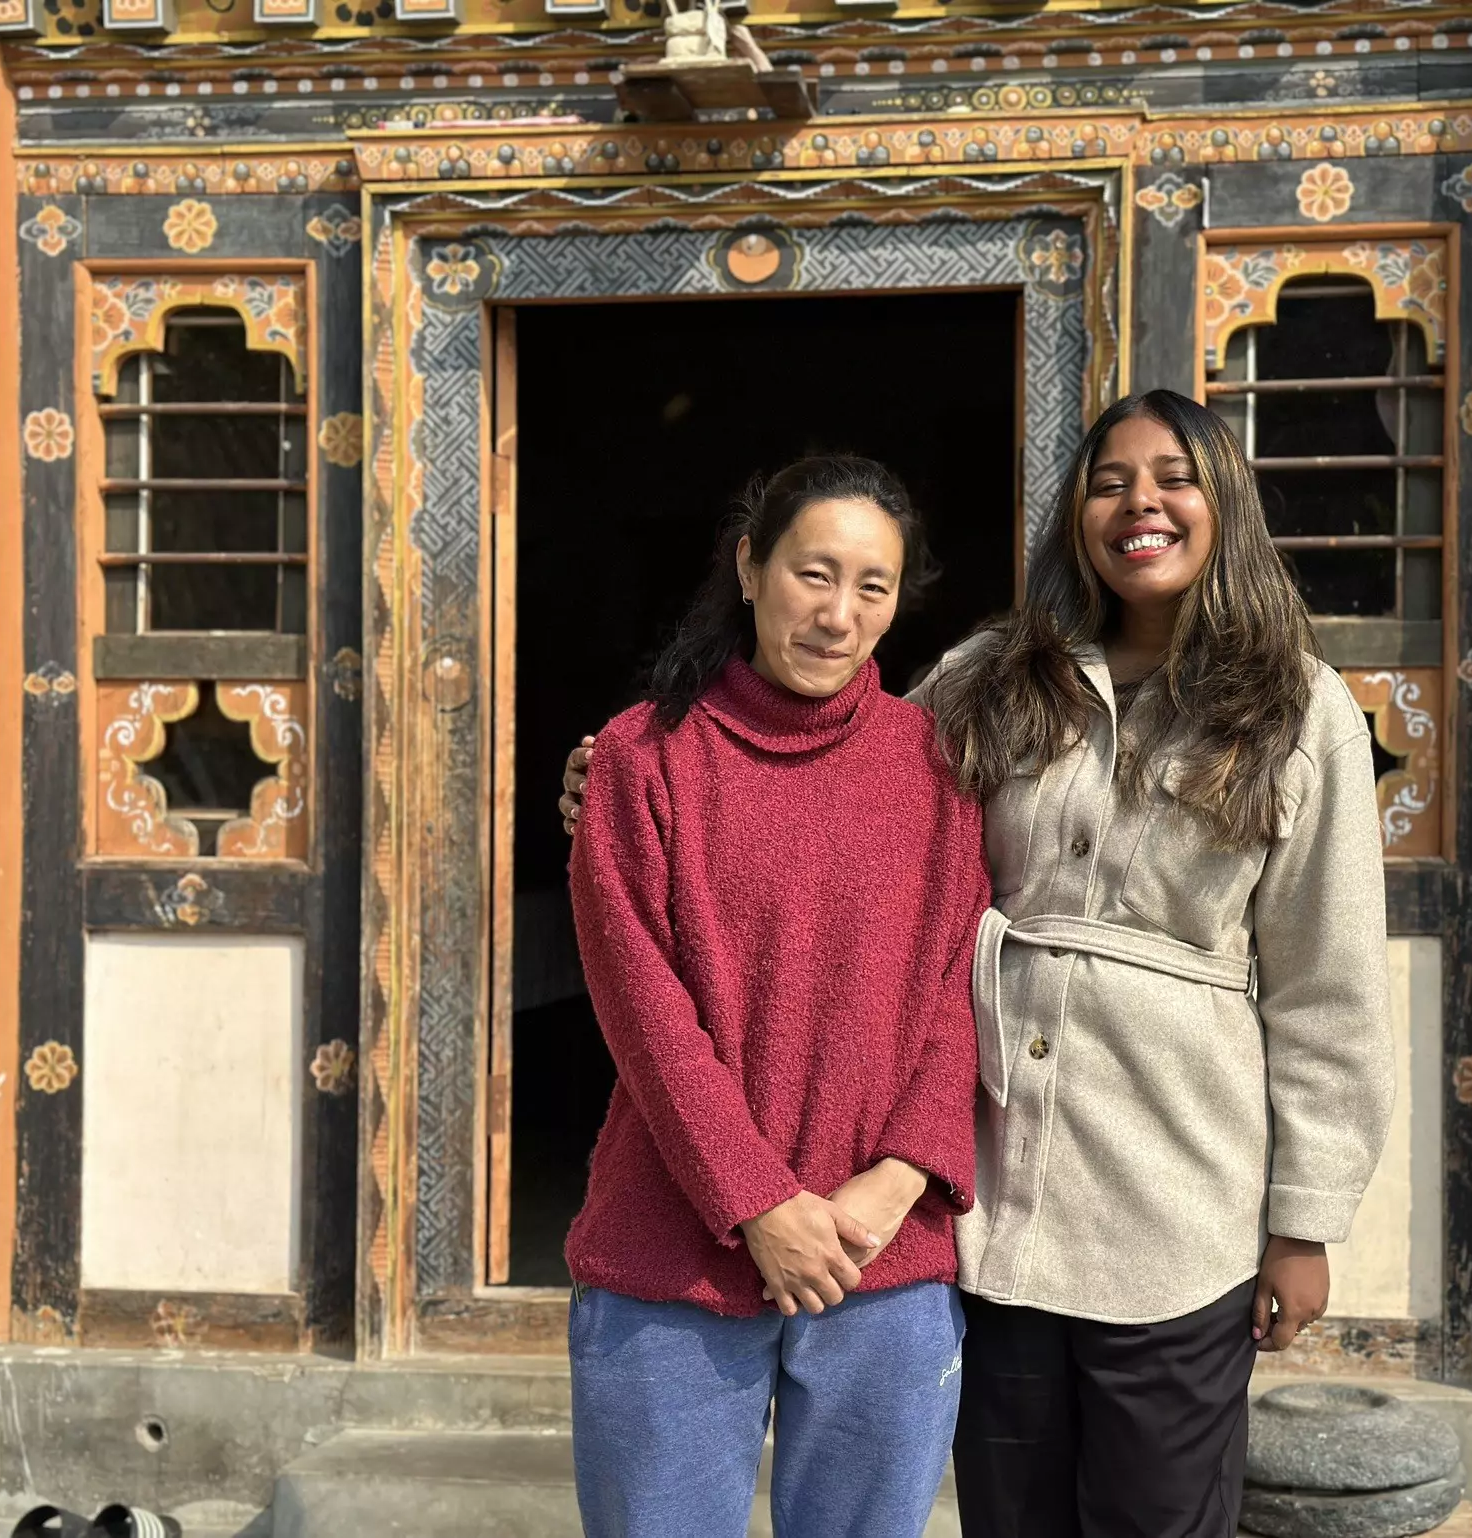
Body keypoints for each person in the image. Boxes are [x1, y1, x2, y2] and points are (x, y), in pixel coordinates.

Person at [564, 392, 1394, 1537]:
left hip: (1166, 1191)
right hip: (999, 1213)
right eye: (1109, 480)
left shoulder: (1297, 711)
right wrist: (611, 768)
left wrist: (1305, 1218)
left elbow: (1326, 980)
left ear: (1227, 505)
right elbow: (818, 768)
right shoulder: (1000, 680)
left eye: (1173, 478)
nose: (1139, 504)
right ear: (748, 565)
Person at [561, 455, 990, 1538]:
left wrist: (899, 1181)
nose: (839, 614)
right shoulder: (640, 756)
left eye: (873, 586)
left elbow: (960, 990)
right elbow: (642, 1008)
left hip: (878, 1257)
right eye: (814, 572)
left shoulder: (936, 764)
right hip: (670, 1256)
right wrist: (756, 1201)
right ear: (749, 566)